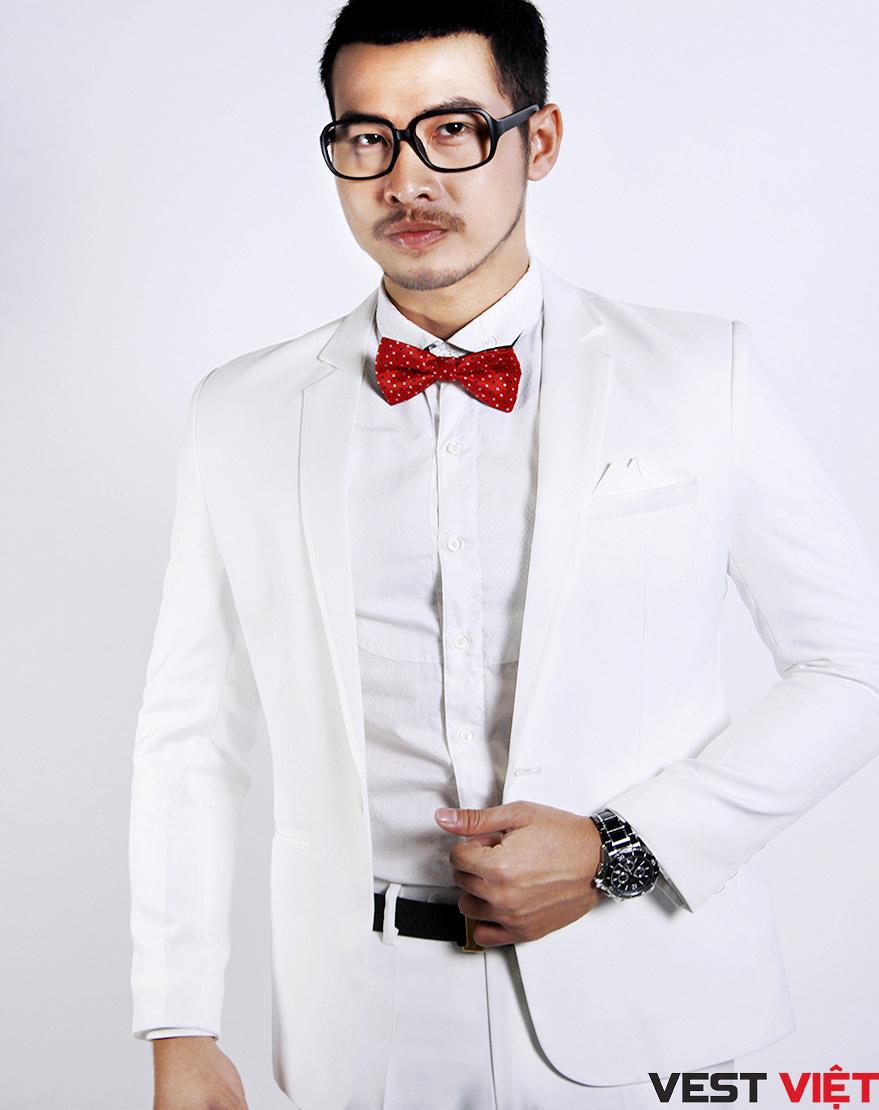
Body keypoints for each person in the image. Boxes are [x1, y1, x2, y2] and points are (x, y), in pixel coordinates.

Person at [128, 2, 879, 1108]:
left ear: (541, 139)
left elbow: (852, 667)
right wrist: (178, 1021)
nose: (406, 180)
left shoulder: (698, 374)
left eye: (453, 129)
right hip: (363, 1037)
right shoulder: (240, 411)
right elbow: (190, 732)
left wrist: (619, 848)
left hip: (654, 1006)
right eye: (367, 137)